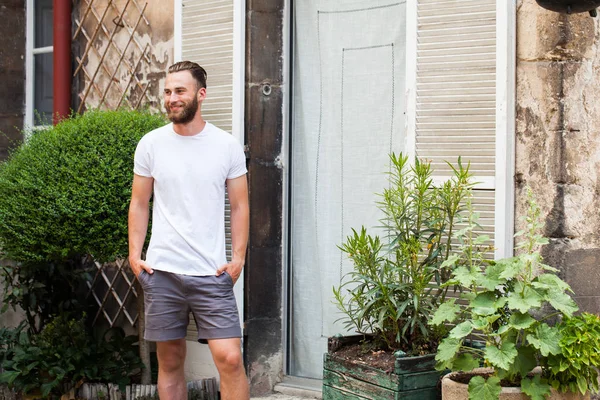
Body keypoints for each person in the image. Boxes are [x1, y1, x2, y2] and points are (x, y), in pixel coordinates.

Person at [128, 61, 250, 400]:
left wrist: (237, 258)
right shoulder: (151, 144)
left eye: (179, 91)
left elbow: (240, 206)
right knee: (169, 361)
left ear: (201, 94)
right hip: (162, 270)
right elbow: (140, 202)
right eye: (167, 91)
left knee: (230, 358)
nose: (171, 98)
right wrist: (134, 257)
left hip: (212, 272)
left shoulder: (225, 145)